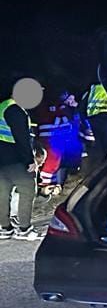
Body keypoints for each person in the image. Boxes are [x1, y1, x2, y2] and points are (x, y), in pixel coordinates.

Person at [1, 78, 45, 241]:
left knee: (3, 194)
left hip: (2, 161)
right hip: (15, 159)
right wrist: (30, 161)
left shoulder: (2, 107)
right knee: (27, 190)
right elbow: (22, 137)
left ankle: (5, 228)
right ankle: (25, 229)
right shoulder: (15, 110)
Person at [84, 78, 107, 167]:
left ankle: (102, 162)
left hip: (94, 118)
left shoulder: (92, 89)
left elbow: (83, 105)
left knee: (100, 142)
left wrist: (85, 120)